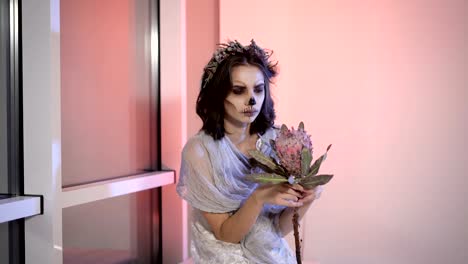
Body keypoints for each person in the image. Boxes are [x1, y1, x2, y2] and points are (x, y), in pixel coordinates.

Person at [176, 40, 324, 263]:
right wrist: (258, 197)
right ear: (218, 95)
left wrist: (306, 200)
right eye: (238, 90)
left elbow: (276, 229)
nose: (252, 100)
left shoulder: (275, 141)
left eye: (258, 89)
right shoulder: (199, 152)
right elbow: (226, 236)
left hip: (269, 255)